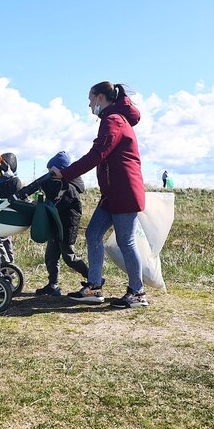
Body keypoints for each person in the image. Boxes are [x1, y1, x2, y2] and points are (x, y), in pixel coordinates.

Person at [51, 81, 148, 308]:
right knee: (93, 233)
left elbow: (97, 154)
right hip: (112, 194)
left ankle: (137, 292)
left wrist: (65, 174)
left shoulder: (113, 120)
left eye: (90, 99)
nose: (88, 105)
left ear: (101, 98)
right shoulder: (114, 119)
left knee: (126, 241)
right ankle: (94, 287)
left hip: (124, 193)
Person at [36, 151, 89, 297]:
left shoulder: (70, 188)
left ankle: (93, 278)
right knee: (51, 256)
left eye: (51, 171)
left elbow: (58, 204)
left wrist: (49, 192)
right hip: (56, 225)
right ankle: (53, 285)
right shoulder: (59, 184)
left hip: (67, 226)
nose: (49, 174)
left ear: (61, 170)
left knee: (69, 257)